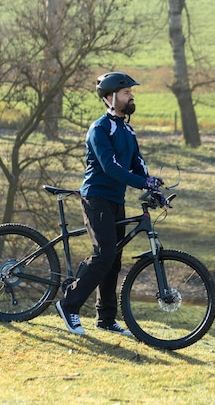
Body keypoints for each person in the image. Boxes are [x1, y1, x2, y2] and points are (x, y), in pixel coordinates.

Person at [55, 72, 163, 335]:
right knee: (104, 254)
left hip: (116, 200)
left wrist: (152, 184)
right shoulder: (100, 129)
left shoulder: (127, 129)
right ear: (110, 97)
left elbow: (137, 164)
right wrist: (141, 183)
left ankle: (105, 319)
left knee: (113, 260)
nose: (131, 96)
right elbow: (111, 167)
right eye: (126, 92)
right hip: (96, 197)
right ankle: (69, 305)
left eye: (130, 92)